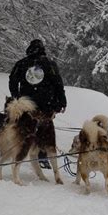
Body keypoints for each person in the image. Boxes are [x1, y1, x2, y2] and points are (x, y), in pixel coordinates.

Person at [8, 39, 67, 168]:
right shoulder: (50, 64)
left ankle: (19, 152)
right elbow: (58, 84)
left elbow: (12, 80)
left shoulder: (21, 64)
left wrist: (16, 97)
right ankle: (42, 156)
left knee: (25, 129)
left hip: (27, 105)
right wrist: (61, 102)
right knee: (45, 131)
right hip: (46, 105)